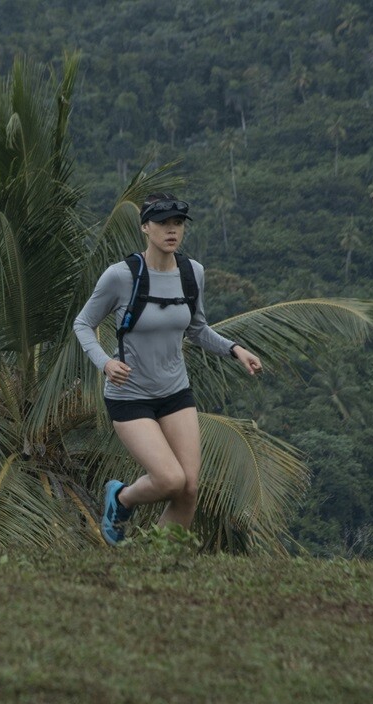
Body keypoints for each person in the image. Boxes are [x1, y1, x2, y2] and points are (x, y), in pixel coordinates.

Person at [73, 192, 262, 545]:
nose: (171, 230)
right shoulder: (121, 276)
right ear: (145, 227)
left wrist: (235, 349)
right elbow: (83, 323)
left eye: (178, 223)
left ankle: (159, 560)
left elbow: (197, 329)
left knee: (189, 488)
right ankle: (121, 498)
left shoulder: (192, 273)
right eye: (162, 223)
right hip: (130, 396)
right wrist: (105, 363)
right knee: (170, 479)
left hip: (175, 392)